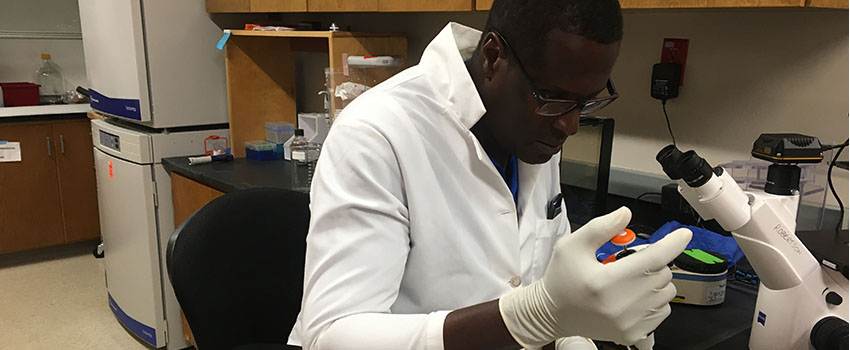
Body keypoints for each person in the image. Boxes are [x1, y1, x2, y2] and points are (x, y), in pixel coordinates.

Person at [288, 0, 692, 349]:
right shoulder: (378, 133)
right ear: (494, 56)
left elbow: (549, 270)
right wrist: (529, 318)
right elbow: (332, 336)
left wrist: (576, 331)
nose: (570, 125)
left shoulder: (532, 129)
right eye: (556, 99)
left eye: (586, 102)